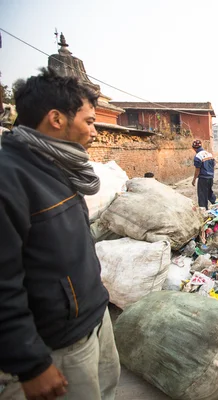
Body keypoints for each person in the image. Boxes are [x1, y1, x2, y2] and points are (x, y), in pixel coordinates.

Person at [0, 69, 120, 400]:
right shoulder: (11, 178)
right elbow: (3, 281)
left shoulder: (57, 163)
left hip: (95, 317)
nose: (95, 131)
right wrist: (32, 363)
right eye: (89, 121)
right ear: (56, 118)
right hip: (60, 341)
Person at [191, 139, 216, 208]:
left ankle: (204, 210)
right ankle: (217, 205)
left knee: (202, 195)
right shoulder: (209, 154)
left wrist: (194, 180)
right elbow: (213, 165)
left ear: (194, 148)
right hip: (210, 177)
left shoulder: (198, 156)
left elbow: (197, 170)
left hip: (203, 178)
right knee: (209, 193)